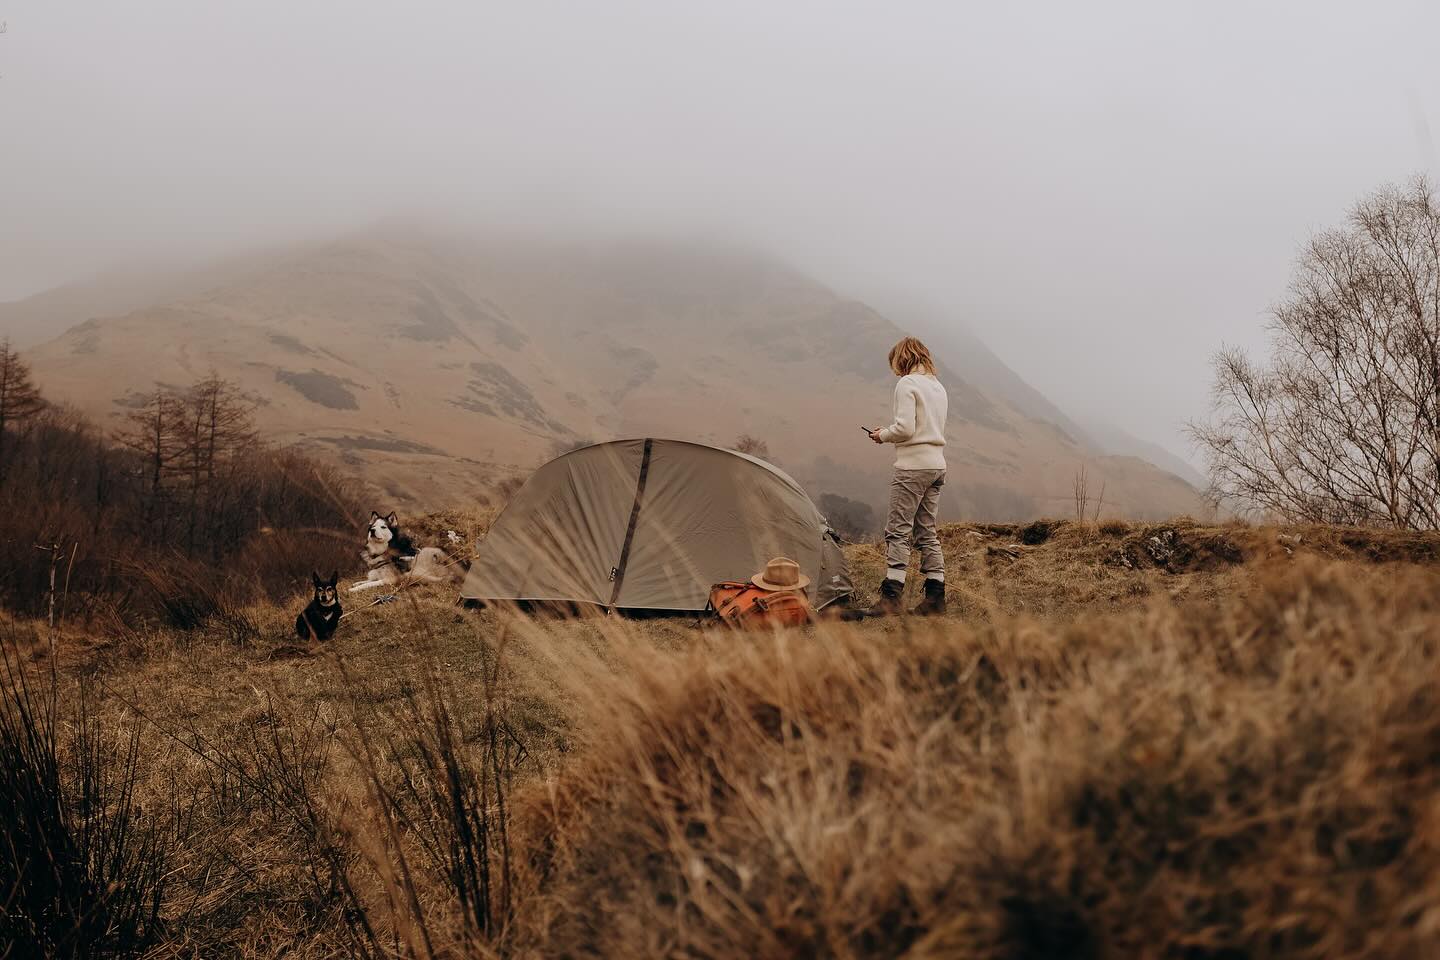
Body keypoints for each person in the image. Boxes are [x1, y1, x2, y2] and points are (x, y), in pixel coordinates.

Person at [865, 336, 948, 616]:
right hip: (937, 465)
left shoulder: (907, 384)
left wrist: (882, 435)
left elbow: (905, 429)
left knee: (898, 530)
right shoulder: (938, 387)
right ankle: (936, 597)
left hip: (913, 467)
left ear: (902, 359)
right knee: (927, 531)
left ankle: (892, 597)